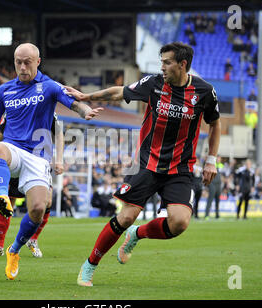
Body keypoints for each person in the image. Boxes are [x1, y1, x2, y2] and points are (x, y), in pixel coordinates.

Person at [65, 41, 221, 287]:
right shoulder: (153, 84)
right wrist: (86, 96)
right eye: (161, 62)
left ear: (182, 64)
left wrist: (211, 159)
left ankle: (138, 233)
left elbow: (214, 123)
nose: (163, 67)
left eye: (167, 62)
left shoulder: (204, 92)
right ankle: (90, 265)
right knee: (126, 216)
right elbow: (120, 91)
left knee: (179, 222)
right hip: (146, 162)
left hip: (180, 168)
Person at [0, 43, 102, 280]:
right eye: (18, 62)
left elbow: (73, 102)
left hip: (39, 157)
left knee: (39, 208)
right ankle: (1, 197)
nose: (22, 66)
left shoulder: (49, 87)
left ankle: (14, 249)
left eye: (27, 62)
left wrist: (85, 111)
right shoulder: (4, 91)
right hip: (13, 149)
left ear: (38, 61)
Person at [0, 113, 64, 257]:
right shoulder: (14, 106)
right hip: (15, 158)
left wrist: (60, 159)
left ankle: (33, 239)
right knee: (7, 202)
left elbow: (59, 134)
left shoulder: (48, 108)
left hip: (38, 160)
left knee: (46, 203)